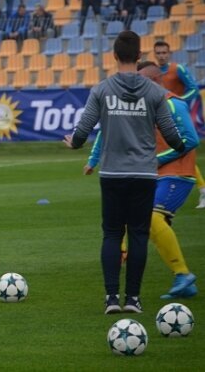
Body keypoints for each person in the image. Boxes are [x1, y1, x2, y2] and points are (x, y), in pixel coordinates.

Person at [64, 30, 184, 315]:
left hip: (113, 174)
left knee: (111, 235)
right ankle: (133, 299)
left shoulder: (103, 90)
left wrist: (75, 143)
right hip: (143, 174)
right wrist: (182, 147)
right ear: (139, 56)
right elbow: (170, 132)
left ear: (115, 56)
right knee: (139, 235)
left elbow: (84, 129)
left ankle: (110, 299)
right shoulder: (154, 92)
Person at [86, 61, 199, 300]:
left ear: (151, 80)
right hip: (153, 175)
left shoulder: (173, 103)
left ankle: (183, 274)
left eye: (139, 81)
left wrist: (158, 159)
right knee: (141, 220)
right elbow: (107, 130)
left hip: (178, 174)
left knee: (151, 217)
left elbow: (191, 140)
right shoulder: (145, 102)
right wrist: (94, 158)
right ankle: (182, 280)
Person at [153, 40, 205, 207]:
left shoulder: (178, 69)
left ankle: (202, 188)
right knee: (174, 152)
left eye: (164, 53)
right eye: (158, 53)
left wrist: (180, 100)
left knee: (183, 150)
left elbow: (193, 89)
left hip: (179, 117)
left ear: (169, 54)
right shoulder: (154, 73)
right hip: (162, 119)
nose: (161, 56)